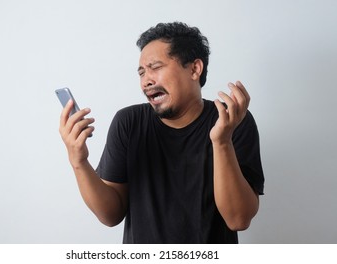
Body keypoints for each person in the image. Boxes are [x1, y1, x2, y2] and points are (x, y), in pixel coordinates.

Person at [59, 22, 264, 244]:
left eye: (155, 67)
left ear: (195, 69)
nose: (146, 80)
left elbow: (238, 219)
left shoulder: (233, 121)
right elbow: (110, 215)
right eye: (141, 72)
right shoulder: (129, 122)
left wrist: (222, 142)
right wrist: (79, 162)